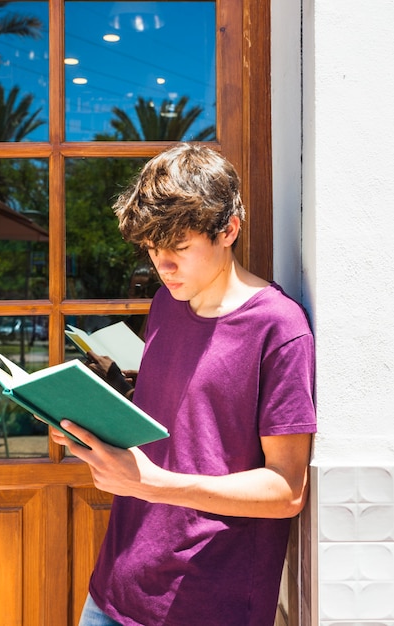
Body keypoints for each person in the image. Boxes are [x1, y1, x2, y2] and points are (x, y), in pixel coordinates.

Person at [51, 144, 317, 626]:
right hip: (115, 587)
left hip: (207, 603)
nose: (163, 266)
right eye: (153, 250)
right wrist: (84, 421)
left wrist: (153, 484)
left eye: (179, 248)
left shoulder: (280, 329)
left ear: (229, 229)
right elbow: (175, 423)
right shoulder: (165, 305)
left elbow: (287, 489)